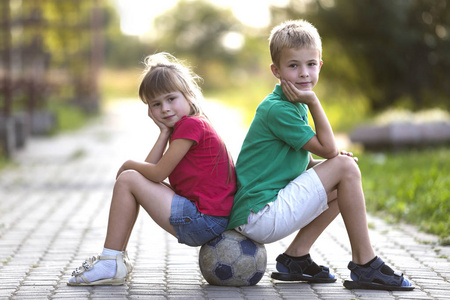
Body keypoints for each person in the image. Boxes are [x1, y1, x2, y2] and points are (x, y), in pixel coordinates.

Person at [226, 19, 414, 291]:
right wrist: (314, 102)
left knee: (342, 182)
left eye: (311, 64)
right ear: (276, 70)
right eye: (293, 66)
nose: (304, 74)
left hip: (261, 211)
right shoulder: (279, 109)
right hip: (259, 214)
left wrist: (328, 166)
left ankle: (296, 258)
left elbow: (291, 162)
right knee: (346, 169)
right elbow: (329, 148)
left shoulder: (290, 104)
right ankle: (366, 264)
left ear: (320, 65)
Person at [68, 52, 236, 286]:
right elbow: (150, 172)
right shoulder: (187, 125)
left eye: (171, 99)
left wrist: (127, 164)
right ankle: (115, 259)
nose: (165, 109)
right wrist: (163, 133)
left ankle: (110, 261)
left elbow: (155, 174)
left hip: (204, 221)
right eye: (156, 104)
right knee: (132, 180)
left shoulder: (191, 125)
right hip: (207, 218)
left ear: (188, 96)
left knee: (128, 179)